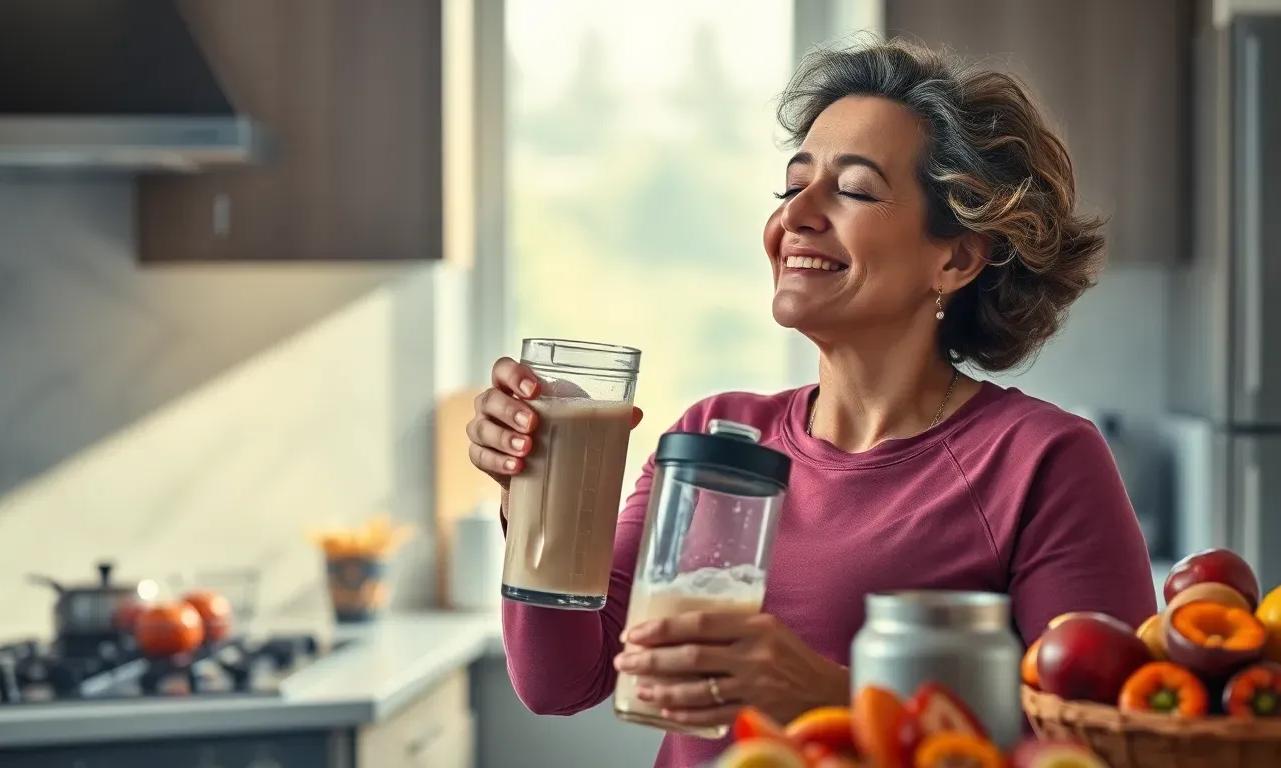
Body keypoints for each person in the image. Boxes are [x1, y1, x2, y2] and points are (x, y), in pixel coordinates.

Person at [465, 39, 1157, 768]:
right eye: (792, 186)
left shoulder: (1040, 462)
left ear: (955, 258)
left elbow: (1106, 749)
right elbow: (561, 680)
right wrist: (536, 490)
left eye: (853, 190)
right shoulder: (717, 434)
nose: (798, 213)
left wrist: (828, 698)